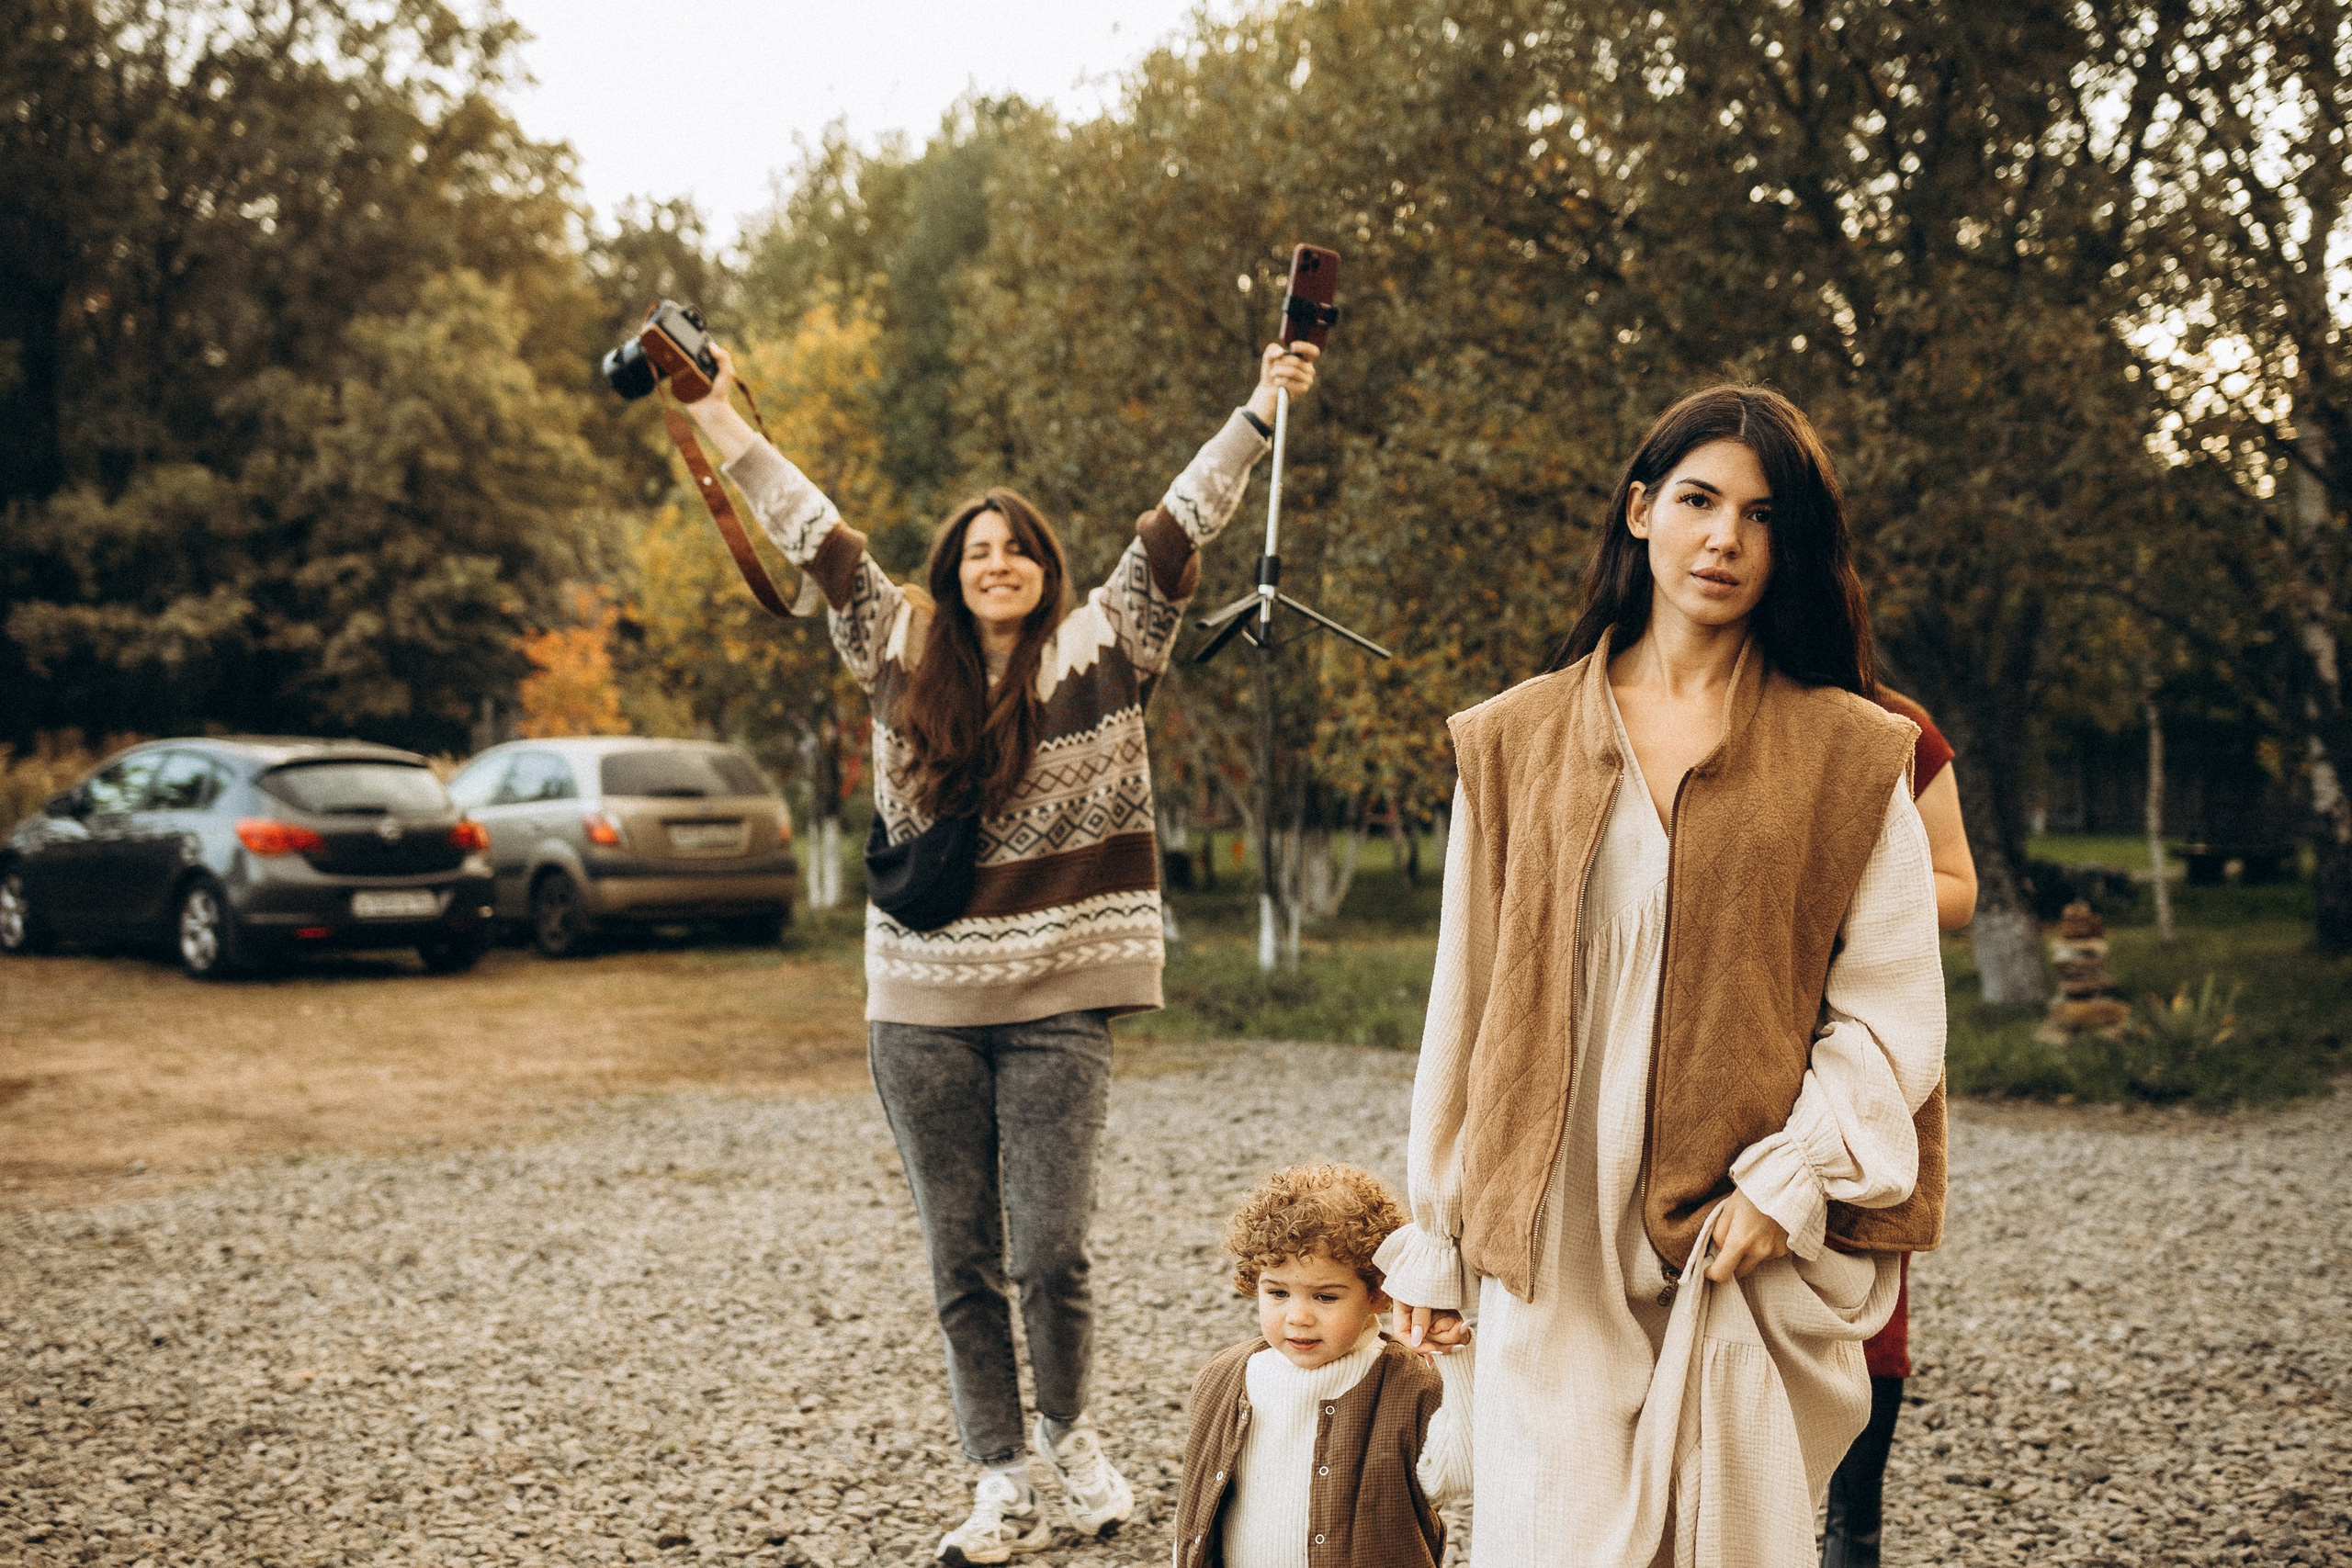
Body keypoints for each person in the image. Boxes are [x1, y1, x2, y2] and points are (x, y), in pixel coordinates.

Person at [682, 337, 1319, 1565]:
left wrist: (1259, 405)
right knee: (962, 1255)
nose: (998, 561)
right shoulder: (894, 644)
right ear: (950, 571)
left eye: (1017, 545)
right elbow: (806, 524)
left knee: (1051, 1248)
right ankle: (998, 1475)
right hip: (919, 1000)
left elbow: (1182, 524)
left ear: (1046, 567)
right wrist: (712, 416)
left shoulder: (1108, 645)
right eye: (978, 548)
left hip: (1058, 1001)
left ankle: (1074, 1439)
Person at [1374, 385, 1949, 1567]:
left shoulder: (1850, 751)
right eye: (1696, 500)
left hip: (1733, 1233)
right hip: (1550, 1231)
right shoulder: (1514, 738)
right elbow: (1466, 1002)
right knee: (1545, 1540)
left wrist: (1788, 1183)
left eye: (1760, 514)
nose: (1724, 539)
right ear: (1640, 511)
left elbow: (1890, 1011)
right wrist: (1436, 1230)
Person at [1820, 685, 1977, 1568]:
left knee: (1869, 1280)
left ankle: (1855, 1530)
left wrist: (1854, 885)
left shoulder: (1901, 724)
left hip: (1867, 1032)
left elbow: (1959, 888)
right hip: (1726, 1040)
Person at [1174, 1164, 1473, 1568]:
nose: (1298, 1316)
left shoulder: (1410, 1382)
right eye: (1278, 1292)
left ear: (1379, 1293)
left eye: (1325, 1297)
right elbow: (1195, 1509)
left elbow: (1457, 1475)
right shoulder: (1224, 1378)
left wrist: (1455, 1356)